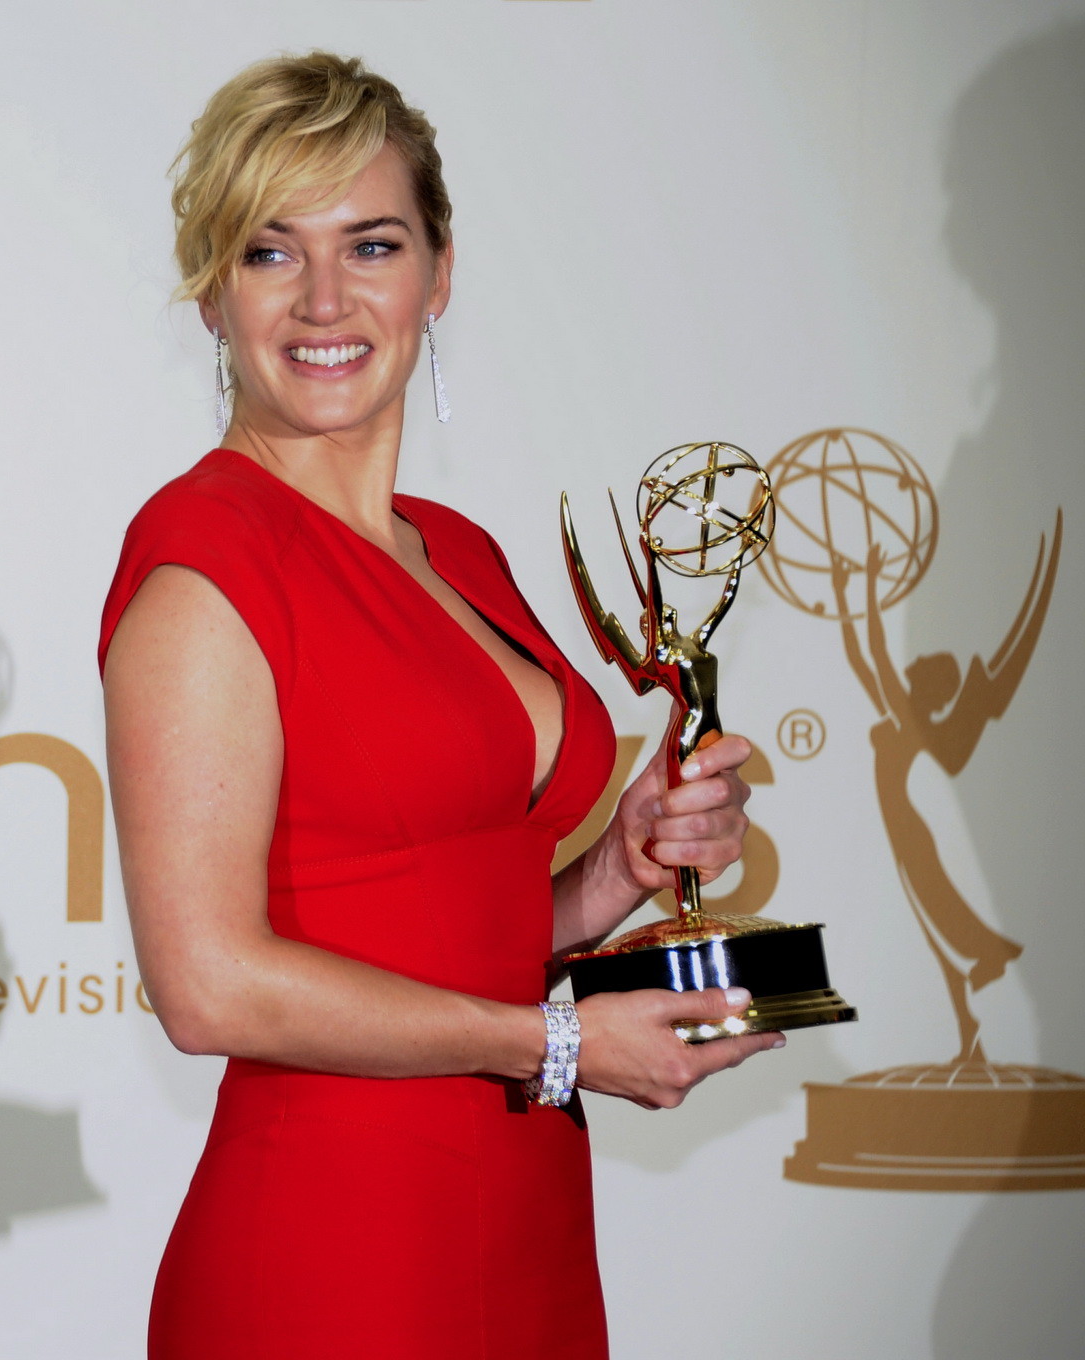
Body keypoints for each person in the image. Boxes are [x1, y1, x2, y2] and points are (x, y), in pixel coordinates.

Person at [98, 54, 779, 1359]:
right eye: (266, 252)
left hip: (518, 1227)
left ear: (437, 273)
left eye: (371, 243)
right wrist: (558, 1044)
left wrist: (621, 865)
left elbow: (452, 923)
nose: (323, 300)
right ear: (209, 294)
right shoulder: (204, 563)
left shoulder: (454, 551)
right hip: (328, 1253)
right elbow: (206, 987)